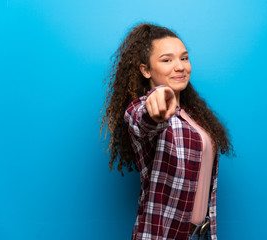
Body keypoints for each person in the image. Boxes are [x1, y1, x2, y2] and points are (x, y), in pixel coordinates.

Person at [100, 23, 234, 240]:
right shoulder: (141, 110)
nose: (180, 66)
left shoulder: (195, 117)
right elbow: (143, 119)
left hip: (203, 234)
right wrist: (158, 98)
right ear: (145, 70)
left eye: (184, 58)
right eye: (167, 60)